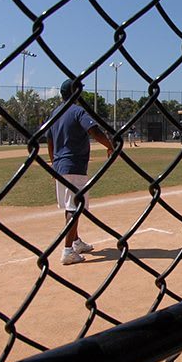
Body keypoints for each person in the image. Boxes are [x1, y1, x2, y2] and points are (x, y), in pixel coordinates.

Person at [47, 78, 114, 265]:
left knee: (70, 206)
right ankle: (68, 250)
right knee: (74, 207)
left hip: (60, 165)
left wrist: (55, 164)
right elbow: (94, 130)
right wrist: (110, 145)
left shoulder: (54, 113)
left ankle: (75, 242)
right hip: (74, 164)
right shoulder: (77, 111)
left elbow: (49, 141)